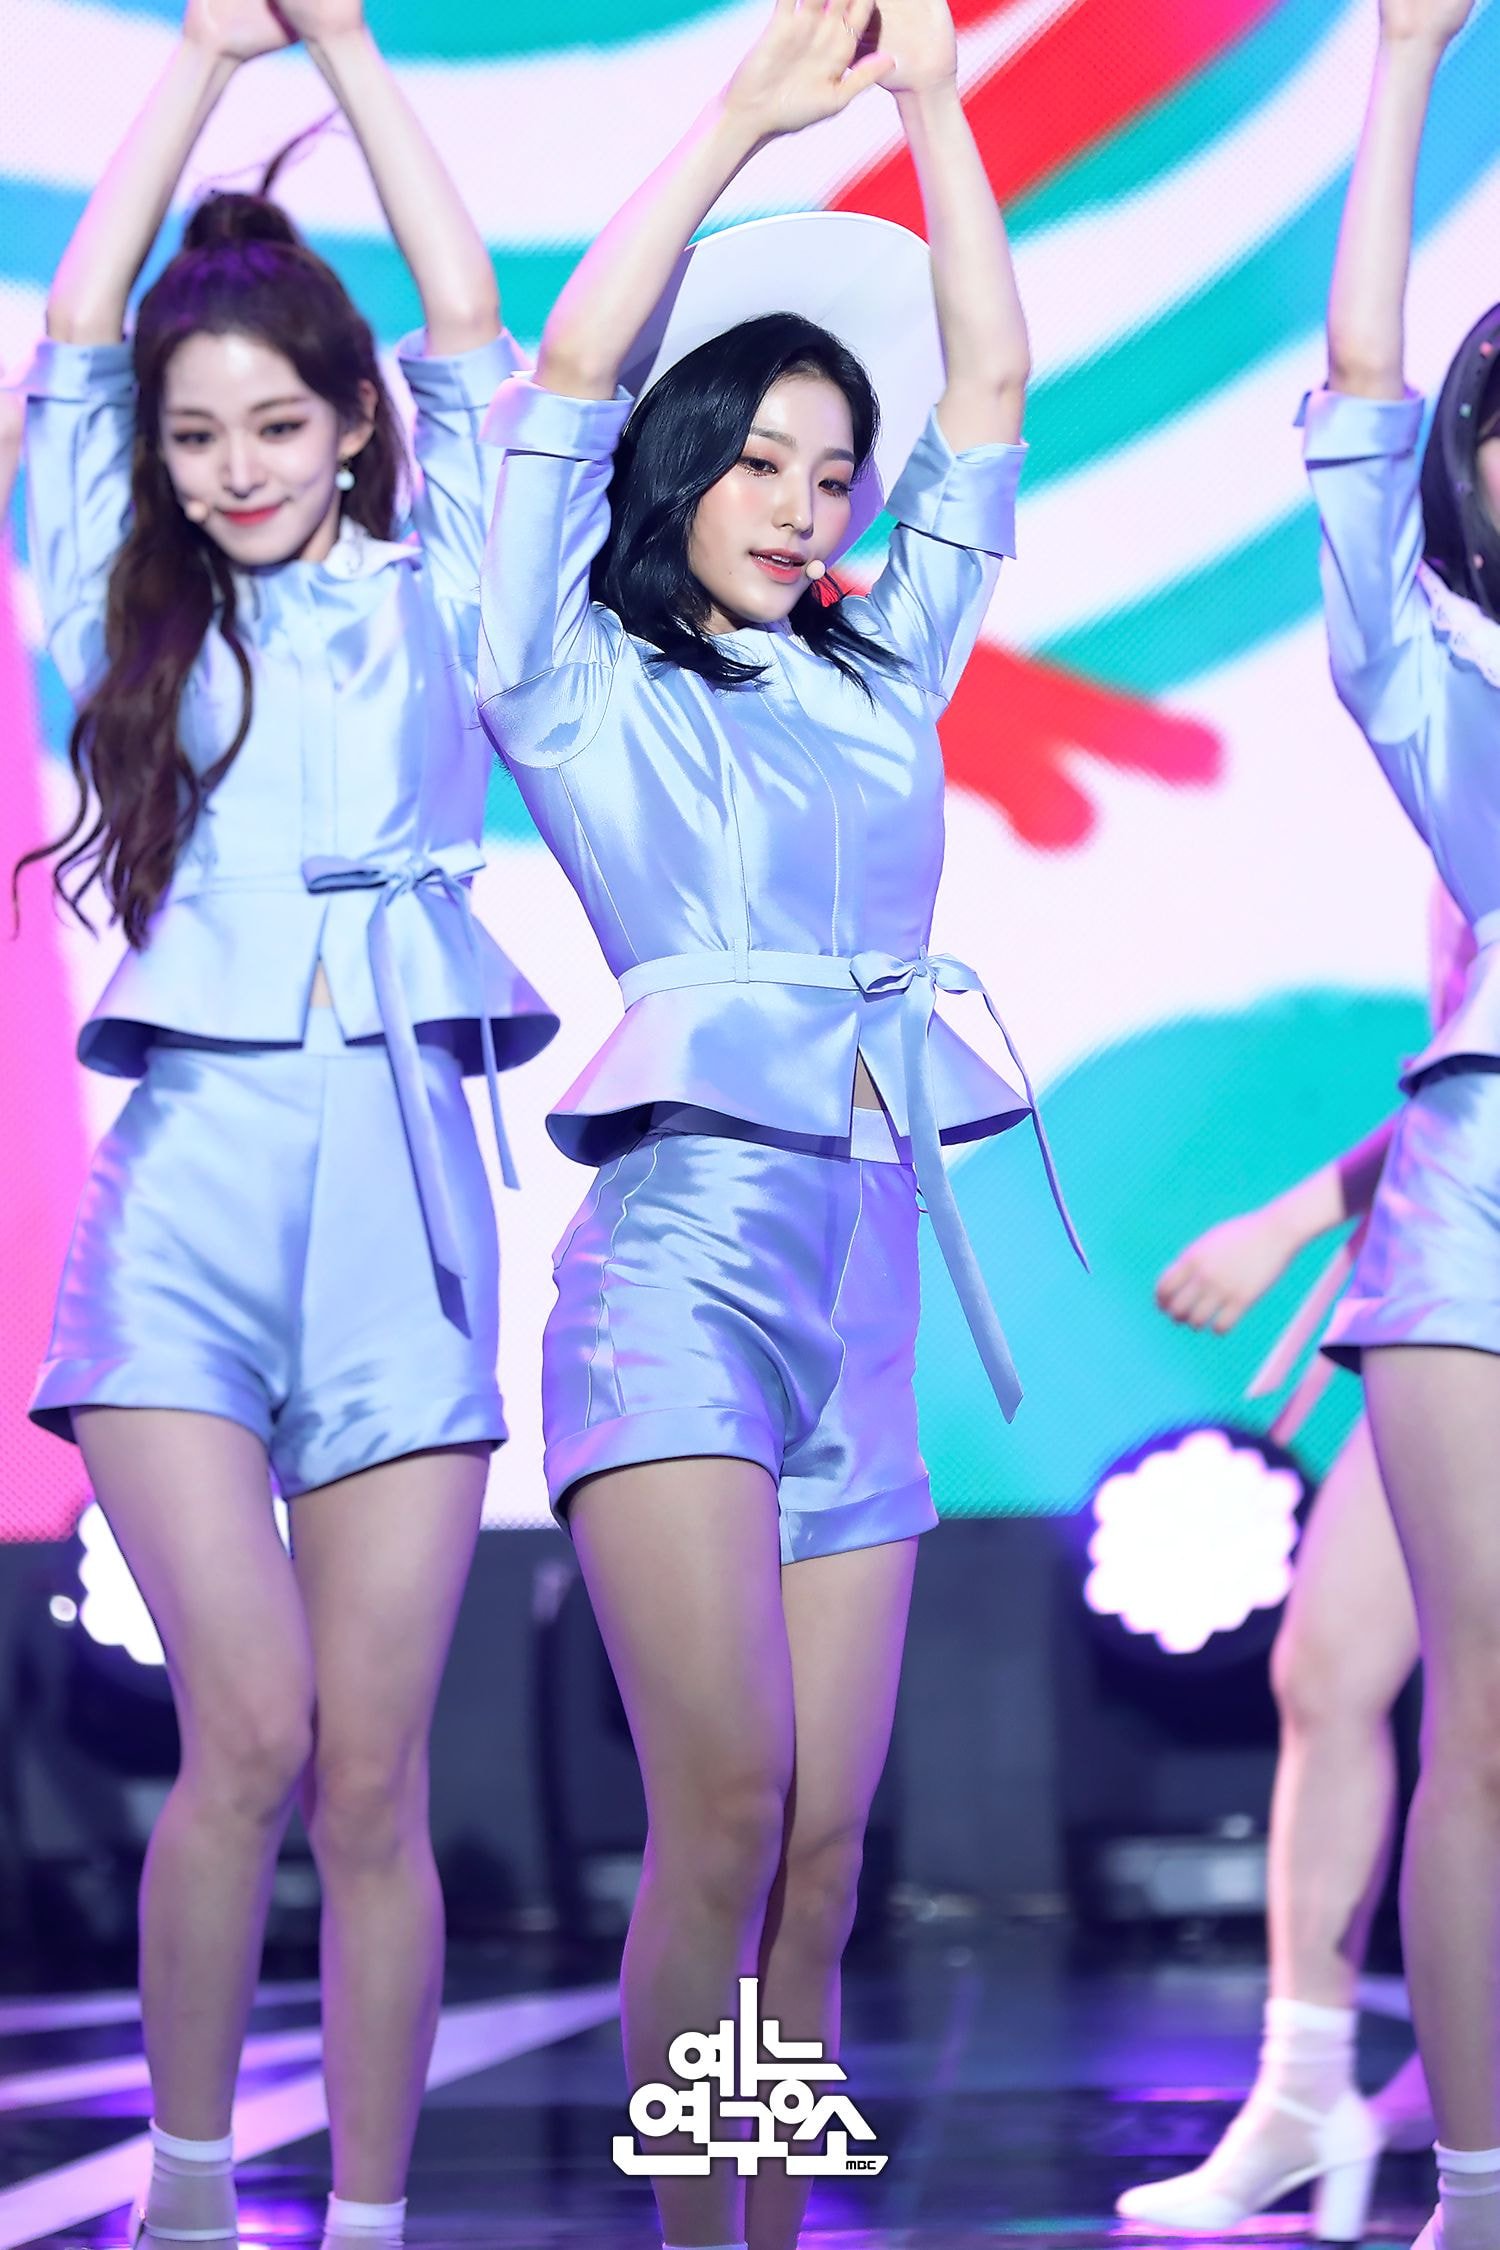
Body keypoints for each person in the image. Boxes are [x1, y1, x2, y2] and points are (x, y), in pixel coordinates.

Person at [478, 4, 1083, 2244]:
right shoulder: (569, 673)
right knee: (725, 1808)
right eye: (764, 460)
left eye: (837, 475)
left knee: (823, 1851)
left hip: (865, 1282)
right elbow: (563, 375)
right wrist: (742, 119)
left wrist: (935, 108)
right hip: (676, 1281)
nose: (810, 505)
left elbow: (992, 392)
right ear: (683, 460)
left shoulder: (878, 666)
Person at [14, 2, 554, 2242]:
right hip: (189, 1206)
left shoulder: (446, 592)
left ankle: (375, 2219)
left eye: (274, 424)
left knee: (369, 1773)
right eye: (195, 433)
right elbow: (69, 338)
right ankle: (186, 2190)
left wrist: (344, 45)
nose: (234, 466)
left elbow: (471, 324)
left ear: (349, 428)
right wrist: (201, 71)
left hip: (407, 1204)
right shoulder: (122, 610)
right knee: (241, 1727)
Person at [1116, 883, 1474, 2235]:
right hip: (1458, 1262)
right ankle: (1305, 2090)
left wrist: (1289, 1220)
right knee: (1326, 1668)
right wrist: (1335, 1221)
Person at [1289, 3, 1500, 2245]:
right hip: (1478, 1203)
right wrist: (1405, 69)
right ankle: (1474, 2190)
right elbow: (1359, 392)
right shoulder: (1446, 683)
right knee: (1479, 1723)